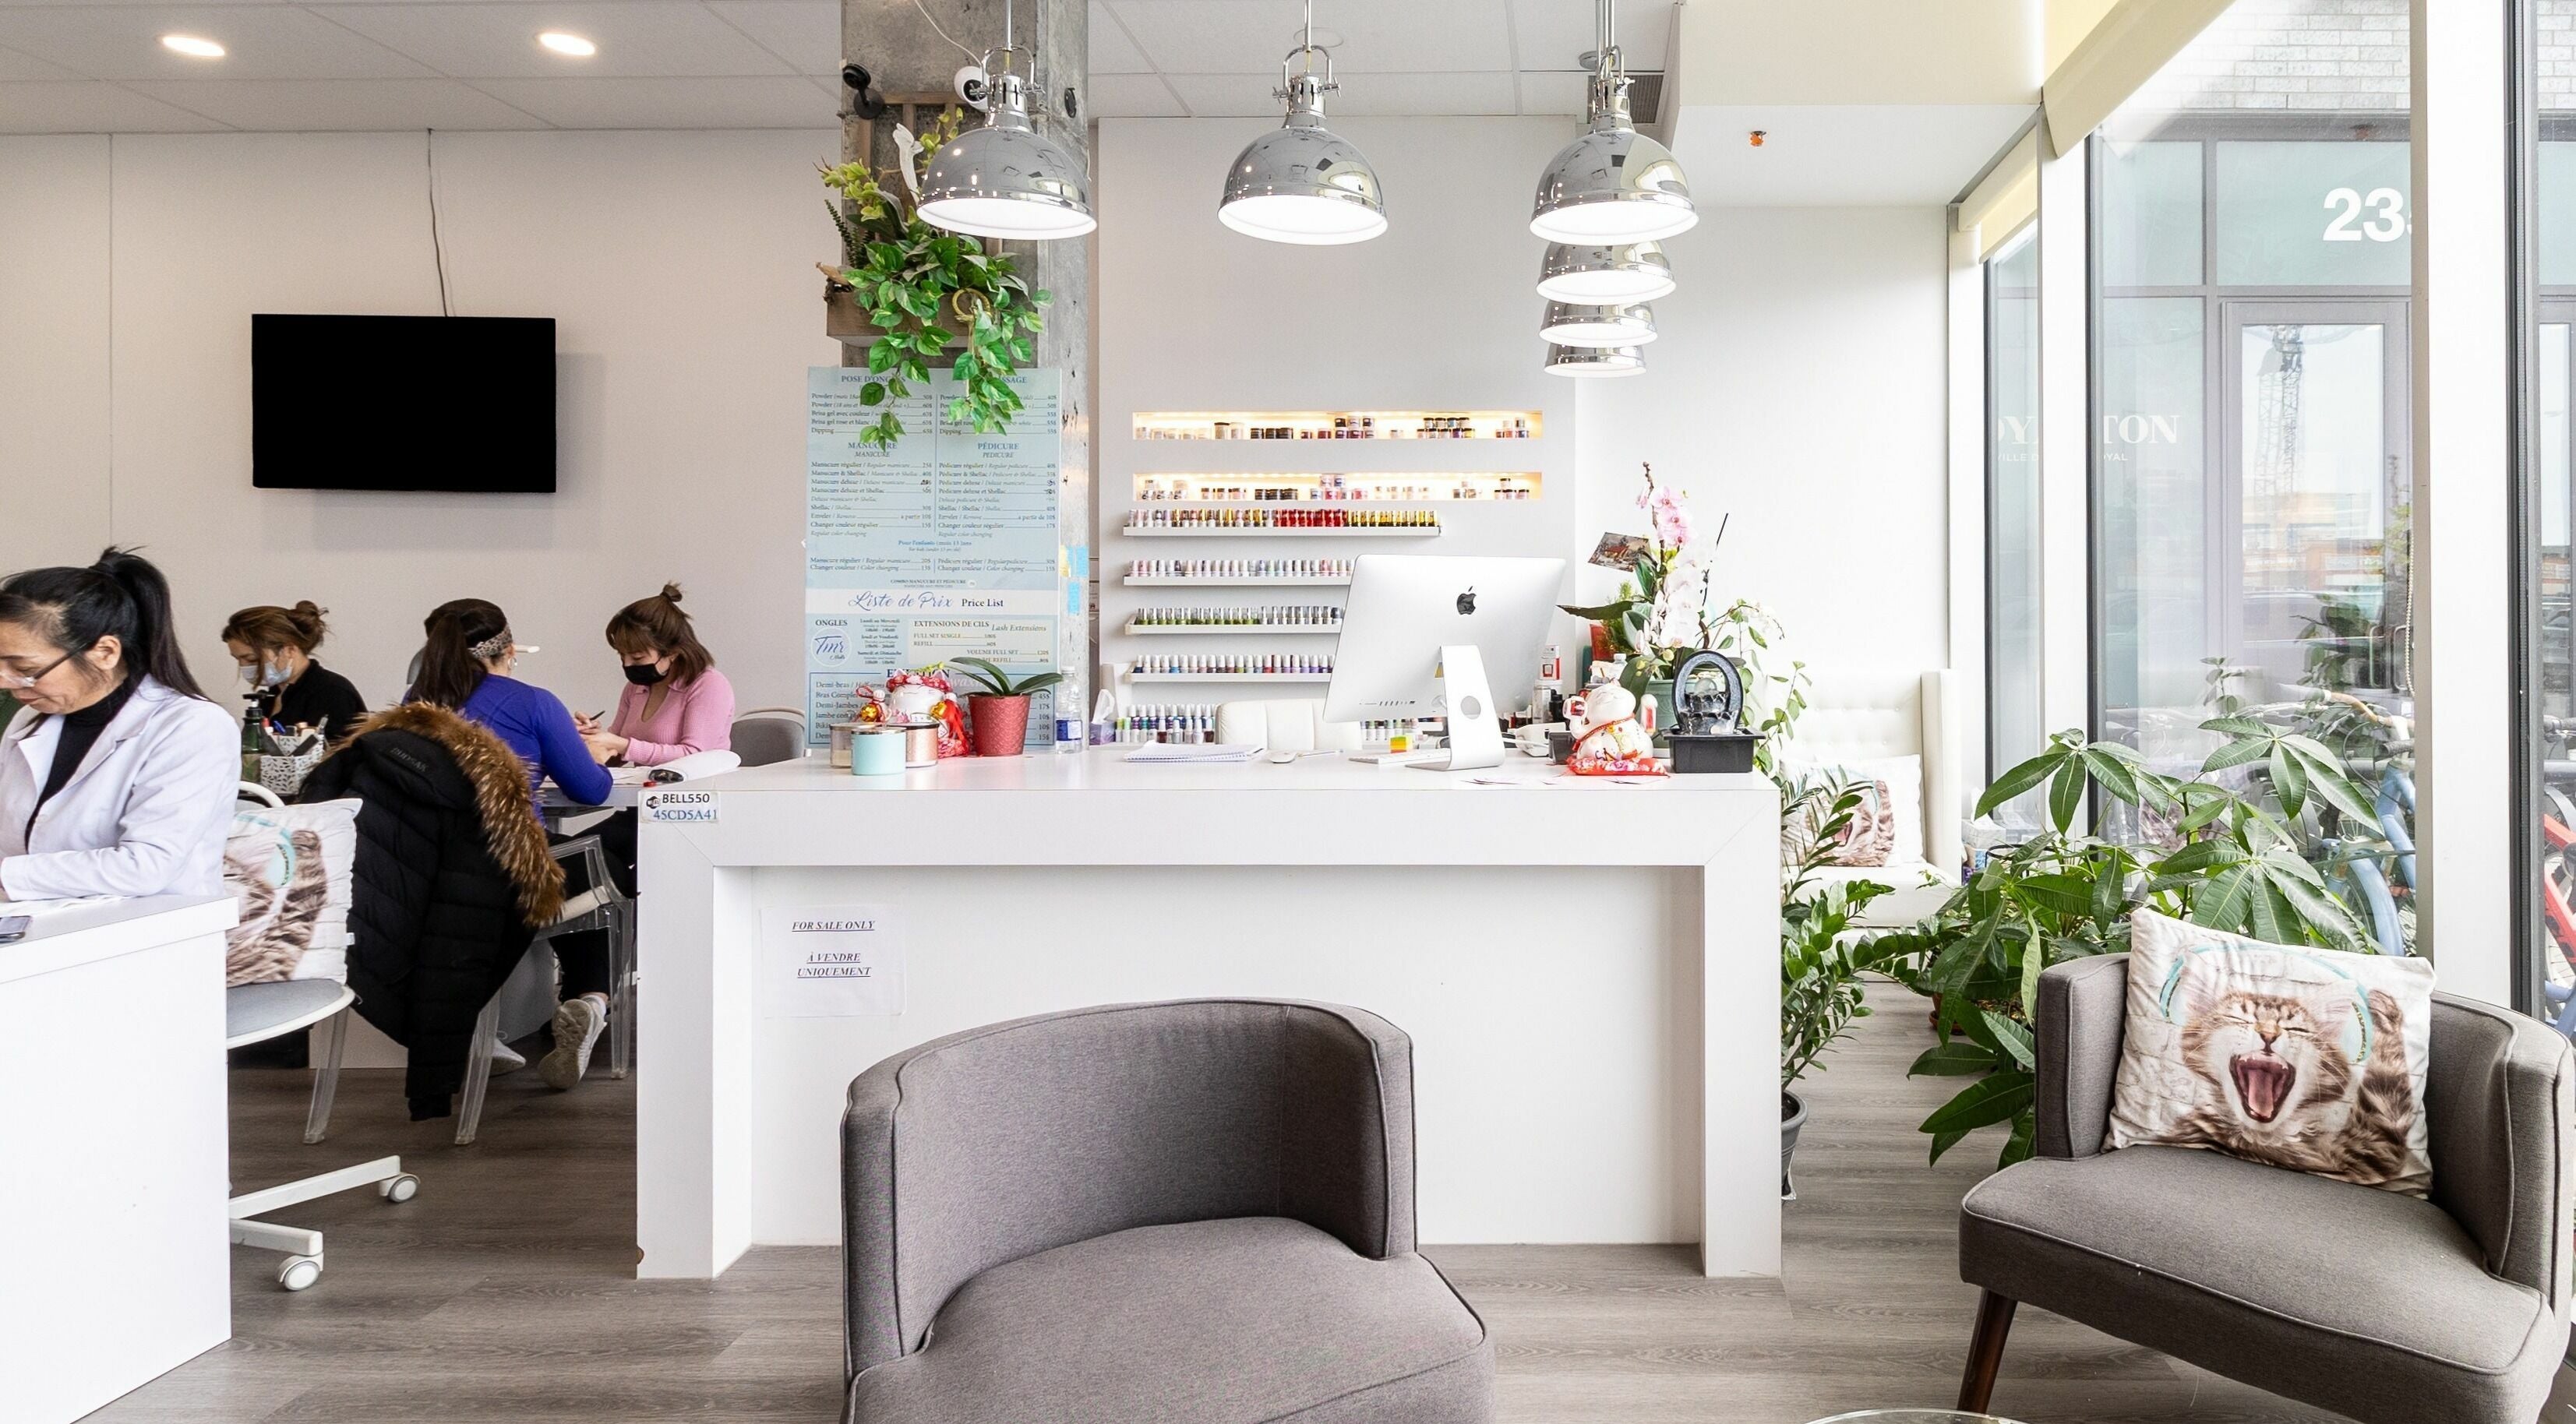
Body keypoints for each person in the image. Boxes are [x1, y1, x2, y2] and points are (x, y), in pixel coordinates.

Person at [408, 597, 614, 1089]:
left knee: (570, 864)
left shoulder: (412, 705)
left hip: (426, 876)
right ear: (509, 649)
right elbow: (591, 790)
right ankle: (590, 1000)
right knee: (600, 870)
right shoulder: (534, 702)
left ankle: (478, 1031)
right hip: (512, 873)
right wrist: (596, 754)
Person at [0, 549, 238, 901]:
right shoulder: (32, 720)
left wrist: (8, 875)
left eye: (25, 669)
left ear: (106, 652)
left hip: (150, 926)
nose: (6, 682)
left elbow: (145, 866)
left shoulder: (192, 727)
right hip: (39, 920)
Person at [577, 583, 734, 766]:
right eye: (622, 655)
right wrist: (587, 739)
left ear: (672, 652)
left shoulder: (709, 685)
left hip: (697, 784)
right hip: (646, 783)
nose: (627, 665)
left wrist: (622, 745)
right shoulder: (635, 688)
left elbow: (695, 755)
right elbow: (614, 756)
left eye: (637, 657)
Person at [222, 601, 368, 745]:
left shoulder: (334, 693)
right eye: (238, 659)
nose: (243, 666)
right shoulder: (271, 697)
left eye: (252, 659)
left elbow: (342, 755)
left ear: (290, 650)